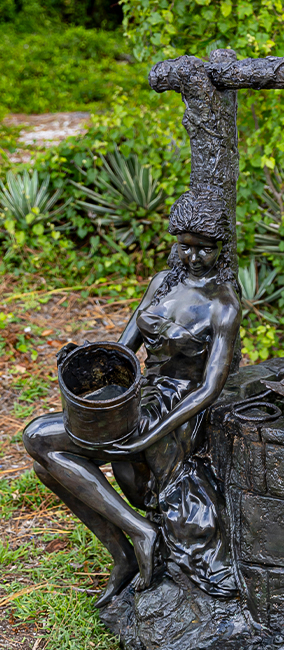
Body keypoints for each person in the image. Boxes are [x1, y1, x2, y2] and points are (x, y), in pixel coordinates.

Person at [23, 188, 241, 607]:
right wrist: (86, 358)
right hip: (139, 395)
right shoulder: (162, 283)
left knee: (40, 443)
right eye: (186, 247)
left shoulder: (224, 307)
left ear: (222, 250)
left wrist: (149, 434)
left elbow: (210, 387)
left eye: (205, 250)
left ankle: (139, 538)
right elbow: (125, 351)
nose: (192, 259)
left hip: (175, 409)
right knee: (46, 463)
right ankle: (129, 546)